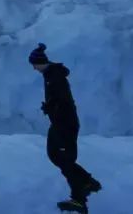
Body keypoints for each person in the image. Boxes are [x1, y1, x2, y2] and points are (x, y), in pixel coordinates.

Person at [29, 44, 102, 213]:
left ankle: (79, 198)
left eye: (34, 64)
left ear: (40, 62)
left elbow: (62, 100)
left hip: (65, 124)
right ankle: (87, 182)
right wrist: (50, 106)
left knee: (64, 158)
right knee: (56, 155)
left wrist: (51, 107)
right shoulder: (50, 74)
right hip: (60, 123)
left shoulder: (55, 77)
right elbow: (59, 99)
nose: (33, 68)